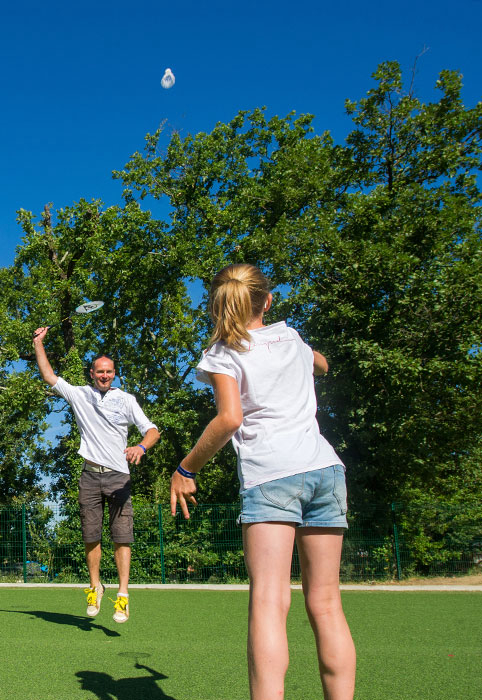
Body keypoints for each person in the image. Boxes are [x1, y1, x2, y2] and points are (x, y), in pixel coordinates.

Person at [170, 263, 355, 700]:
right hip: (325, 470)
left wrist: (185, 469)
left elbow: (230, 418)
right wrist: (307, 365)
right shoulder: (292, 338)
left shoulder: (223, 353)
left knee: (270, 603)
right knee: (326, 605)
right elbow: (322, 364)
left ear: (218, 305)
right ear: (267, 302)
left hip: (272, 476)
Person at [31, 327, 160, 623]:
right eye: (99, 371)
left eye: (109, 372)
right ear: (91, 373)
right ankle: (95, 587)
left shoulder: (126, 400)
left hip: (119, 477)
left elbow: (152, 430)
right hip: (89, 476)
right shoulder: (79, 395)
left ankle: (123, 596)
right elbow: (49, 376)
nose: (104, 376)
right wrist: (38, 343)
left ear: (114, 374)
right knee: (91, 537)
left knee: (122, 537)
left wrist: (141, 446)